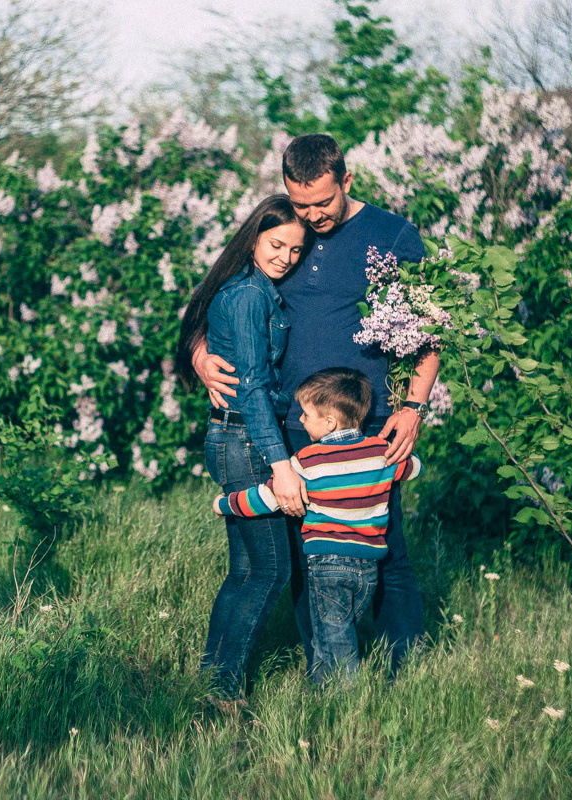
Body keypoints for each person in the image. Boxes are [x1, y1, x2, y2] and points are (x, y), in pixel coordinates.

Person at [192, 133, 440, 676]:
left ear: (346, 181)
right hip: (293, 423)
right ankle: (326, 671)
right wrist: (200, 354)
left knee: (385, 548)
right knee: (311, 555)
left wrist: (413, 407)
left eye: (322, 203)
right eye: (299, 203)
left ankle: (406, 669)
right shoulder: (288, 235)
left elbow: (429, 329)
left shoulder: (392, 235)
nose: (311, 216)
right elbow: (223, 300)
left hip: (369, 422)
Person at [175, 195, 308, 706]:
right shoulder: (250, 296)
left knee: (247, 570)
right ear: (254, 237)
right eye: (276, 244)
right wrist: (281, 467)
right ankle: (224, 689)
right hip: (247, 441)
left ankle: (212, 678)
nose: (285, 258)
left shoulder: (247, 288)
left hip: (233, 436)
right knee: (271, 572)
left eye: (295, 250)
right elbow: (253, 388)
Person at [213, 368, 422, 684]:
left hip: (328, 567)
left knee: (335, 641)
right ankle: (324, 692)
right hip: (368, 567)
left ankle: (343, 702)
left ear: (330, 422)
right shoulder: (380, 452)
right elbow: (414, 468)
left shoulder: (308, 460)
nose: (300, 420)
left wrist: (226, 504)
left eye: (306, 414)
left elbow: (268, 498)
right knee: (336, 634)